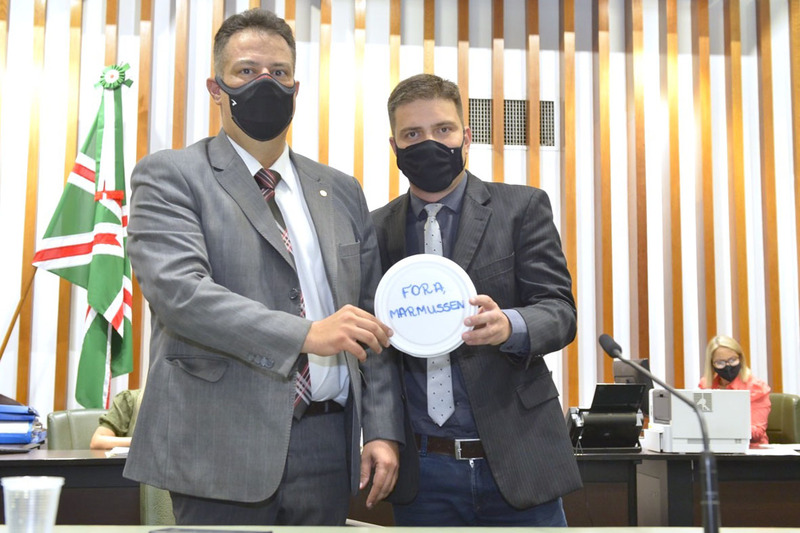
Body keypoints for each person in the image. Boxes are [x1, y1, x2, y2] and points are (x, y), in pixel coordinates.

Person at [123, 8, 403, 526]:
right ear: (216, 88)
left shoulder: (341, 190)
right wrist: (307, 334)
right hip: (218, 443)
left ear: (296, 88)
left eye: (279, 72)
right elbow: (181, 295)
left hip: (327, 444)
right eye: (246, 71)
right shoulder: (170, 176)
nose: (265, 83)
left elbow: (371, 318)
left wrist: (382, 429)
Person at [371, 73, 582, 527]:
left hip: (519, 458)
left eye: (443, 129)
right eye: (413, 134)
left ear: (466, 137)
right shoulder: (374, 230)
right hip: (423, 472)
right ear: (394, 147)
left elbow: (560, 312)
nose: (429, 143)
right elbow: (375, 351)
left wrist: (511, 325)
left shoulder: (521, 208)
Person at [699, 335, 771, 446]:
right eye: (720, 363)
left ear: (740, 358)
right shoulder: (705, 386)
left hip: (750, 450)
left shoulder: (756, 388)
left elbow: (757, 432)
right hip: (714, 448)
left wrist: (722, 429)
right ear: (712, 365)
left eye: (732, 360)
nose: (728, 366)